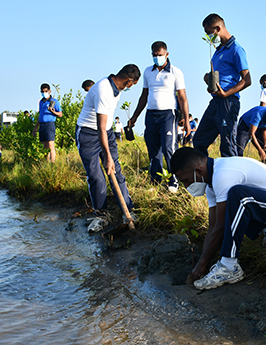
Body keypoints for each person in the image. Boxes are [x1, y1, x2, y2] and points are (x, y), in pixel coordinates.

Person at [170, 147, 266, 290]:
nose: (186, 186)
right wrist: (200, 264)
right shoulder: (211, 184)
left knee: (238, 195)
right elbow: (213, 226)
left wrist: (202, 265)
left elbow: (221, 227)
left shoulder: (222, 174)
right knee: (234, 202)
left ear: (198, 171)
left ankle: (229, 266)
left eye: (185, 181)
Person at [75, 64, 140, 226]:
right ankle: (101, 216)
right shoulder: (103, 90)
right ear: (128, 81)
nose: (130, 87)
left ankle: (128, 211)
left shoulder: (116, 90)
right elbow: (100, 128)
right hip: (88, 134)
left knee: (116, 171)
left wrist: (110, 159)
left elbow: (105, 128)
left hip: (107, 132)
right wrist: (107, 158)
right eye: (132, 85)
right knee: (97, 176)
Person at [128, 41, 190, 193]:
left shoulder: (176, 72)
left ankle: (173, 180)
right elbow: (144, 96)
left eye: (160, 55)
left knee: (169, 148)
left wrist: (187, 120)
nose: (157, 58)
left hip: (168, 114)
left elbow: (182, 97)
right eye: (154, 55)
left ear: (166, 54)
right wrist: (135, 116)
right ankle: (155, 181)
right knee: (153, 149)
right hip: (151, 114)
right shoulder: (148, 72)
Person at [193, 13, 251, 158]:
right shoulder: (218, 51)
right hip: (215, 102)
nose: (208, 37)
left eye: (209, 33)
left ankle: (232, 180)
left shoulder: (236, 49)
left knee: (227, 146)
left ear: (218, 28)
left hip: (228, 102)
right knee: (198, 141)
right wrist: (208, 79)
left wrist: (226, 93)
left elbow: (247, 79)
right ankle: (207, 176)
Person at [32, 83, 63, 163]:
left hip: (49, 124)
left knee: (50, 145)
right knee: (44, 146)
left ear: (49, 91)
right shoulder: (41, 102)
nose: (44, 93)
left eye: (46, 91)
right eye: (42, 91)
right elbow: (40, 115)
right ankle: (46, 163)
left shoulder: (54, 101)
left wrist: (53, 112)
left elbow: (60, 114)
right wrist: (35, 128)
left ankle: (52, 163)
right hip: (42, 125)